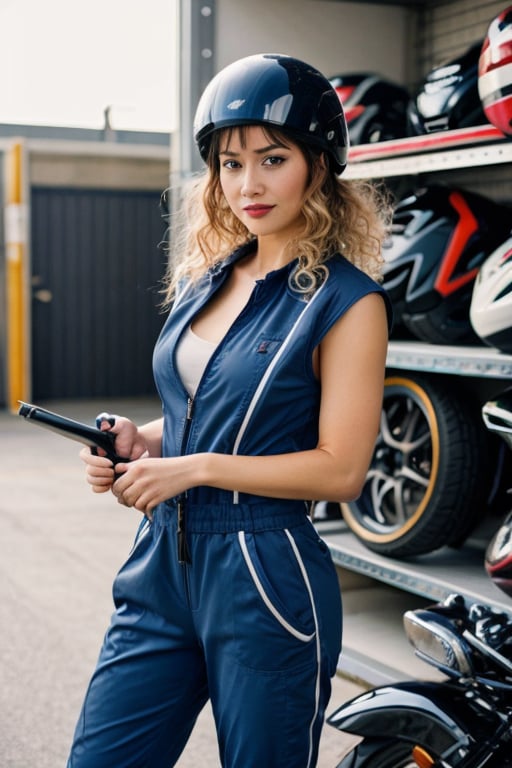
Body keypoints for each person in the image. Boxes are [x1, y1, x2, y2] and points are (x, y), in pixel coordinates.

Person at [67, 53, 392, 768]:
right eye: (230, 162)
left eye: (272, 158)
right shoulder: (207, 279)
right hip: (161, 570)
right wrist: (140, 441)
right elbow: (197, 408)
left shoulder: (349, 303)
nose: (248, 184)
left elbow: (340, 471)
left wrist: (195, 469)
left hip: (265, 575)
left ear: (316, 163)